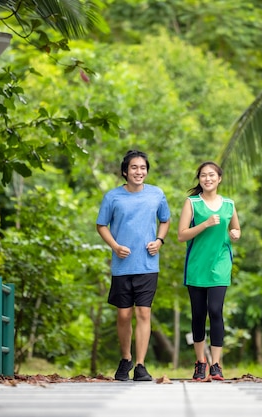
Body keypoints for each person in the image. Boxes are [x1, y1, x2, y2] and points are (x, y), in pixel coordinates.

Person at [96, 150, 171, 381]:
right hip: (123, 264)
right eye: (134, 168)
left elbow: (165, 220)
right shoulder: (112, 197)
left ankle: (140, 365)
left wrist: (159, 241)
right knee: (124, 315)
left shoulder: (157, 194)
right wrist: (115, 246)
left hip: (148, 264)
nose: (139, 172)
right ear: (125, 172)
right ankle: (126, 358)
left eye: (143, 168)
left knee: (143, 312)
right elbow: (101, 225)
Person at [177, 161, 241, 381]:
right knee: (198, 314)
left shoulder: (229, 204)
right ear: (199, 179)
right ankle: (200, 362)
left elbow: (235, 227)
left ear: (219, 178)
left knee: (215, 310)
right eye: (203, 176)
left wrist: (235, 234)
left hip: (220, 264)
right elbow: (181, 235)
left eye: (212, 175)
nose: (207, 179)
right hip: (196, 265)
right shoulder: (192, 203)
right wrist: (204, 224)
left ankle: (216, 364)